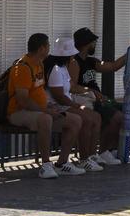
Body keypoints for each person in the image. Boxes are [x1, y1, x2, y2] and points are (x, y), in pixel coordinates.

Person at [7, 33, 84, 178]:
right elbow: (23, 100)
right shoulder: (23, 67)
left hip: (40, 109)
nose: (49, 48)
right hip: (19, 112)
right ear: (41, 48)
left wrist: (49, 107)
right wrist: (46, 111)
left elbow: (39, 91)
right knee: (45, 119)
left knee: (75, 120)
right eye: (48, 45)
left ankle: (62, 163)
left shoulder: (39, 65)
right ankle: (46, 165)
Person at [73, 27, 130, 165]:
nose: (94, 45)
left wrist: (129, 53)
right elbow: (72, 86)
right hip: (88, 100)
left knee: (125, 113)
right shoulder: (74, 62)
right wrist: (90, 91)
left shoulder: (91, 61)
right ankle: (103, 151)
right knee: (116, 117)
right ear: (86, 43)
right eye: (93, 42)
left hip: (99, 98)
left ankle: (112, 149)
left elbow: (112, 66)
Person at [46, 36, 104, 172]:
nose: (73, 57)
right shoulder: (55, 70)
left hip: (65, 104)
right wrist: (75, 105)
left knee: (96, 117)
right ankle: (83, 159)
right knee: (87, 119)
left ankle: (90, 156)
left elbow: (71, 87)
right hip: (59, 106)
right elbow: (59, 96)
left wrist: (89, 90)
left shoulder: (63, 68)